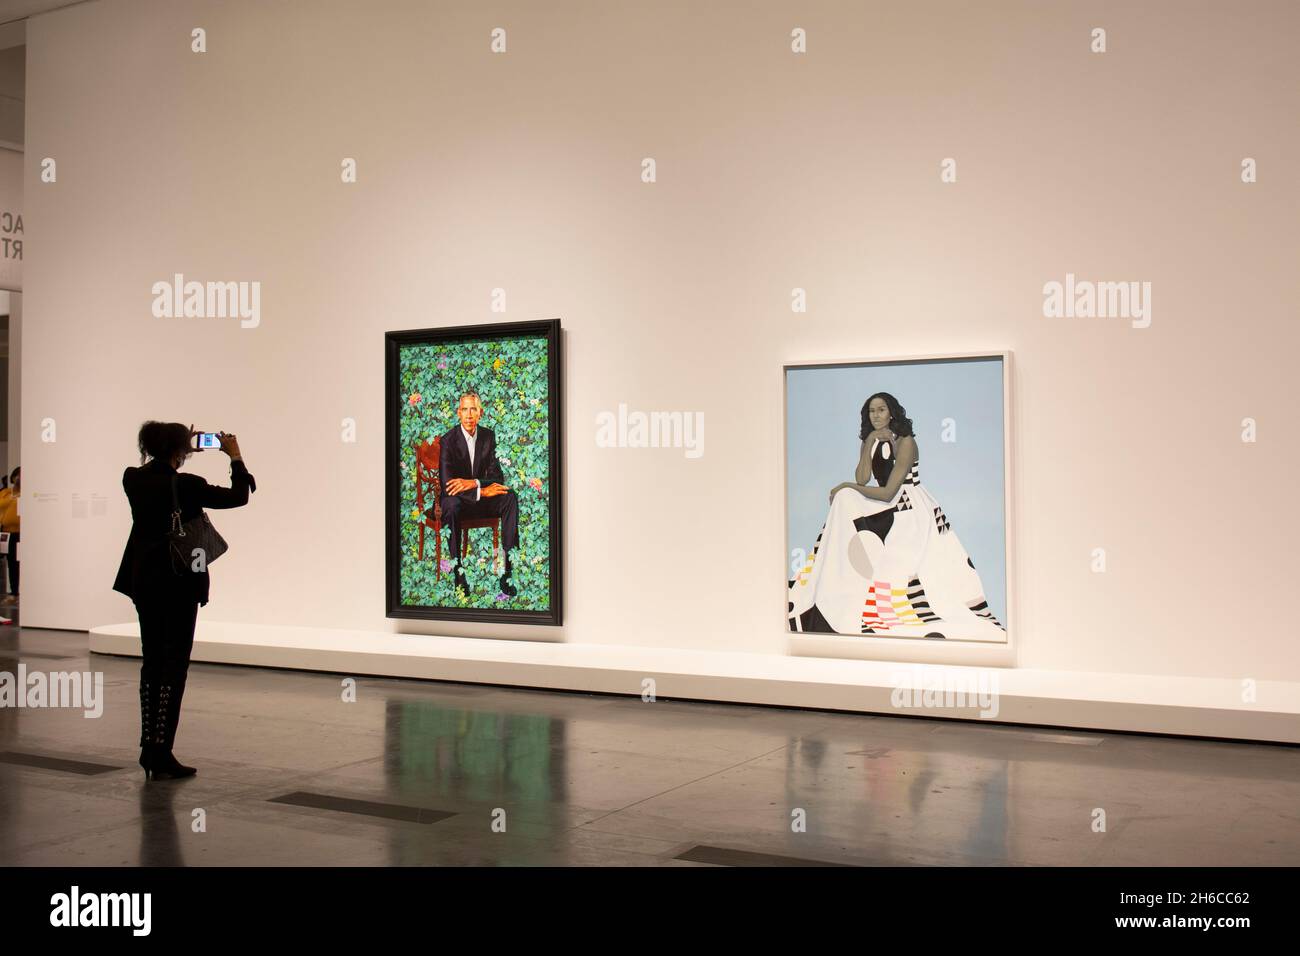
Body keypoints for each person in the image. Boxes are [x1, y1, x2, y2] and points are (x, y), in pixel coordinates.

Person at [788, 392, 1005, 641]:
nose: (876, 415)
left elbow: (890, 491)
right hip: (884, 501)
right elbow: (863, 479)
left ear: (891, 412)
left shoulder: (906, 442)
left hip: (907, 506)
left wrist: (846, 486)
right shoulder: (870, 440)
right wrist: (868, 443)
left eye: (881, 410)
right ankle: (830, 577)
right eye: (872, 411)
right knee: (845, 499)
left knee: (846, 494)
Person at [113, 422, 255, 780]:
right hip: (177, 583)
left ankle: (150, 746)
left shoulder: (132, 479)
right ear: (181, 451)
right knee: (174, 667)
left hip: (144, 581)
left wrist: (177, 446)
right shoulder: (188, 486)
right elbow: (239, 496)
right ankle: (160, 752)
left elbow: (156, 473)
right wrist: (234, 455)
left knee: (152, 663)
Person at [426, 389, 519, 596]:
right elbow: (448, 484)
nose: (469, 415)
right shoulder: (448, 440)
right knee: (450, 504)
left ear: (480, 413)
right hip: (458, 504)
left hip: (478, 500)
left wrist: (473, 483)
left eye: (473, 410)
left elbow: (497, 477)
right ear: (458, 413)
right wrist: (482, 492)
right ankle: (459, 574)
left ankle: (508, 572)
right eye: (465, 410)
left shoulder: (488, 436)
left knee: (510, 497)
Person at [0, 467, 19, 606]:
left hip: (22, 533)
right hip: (6, 534)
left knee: (19, 564)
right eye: (17, 476)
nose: (19, 479)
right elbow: (2, 505)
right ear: (12, 478)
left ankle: (19, 592)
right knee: (11, 564)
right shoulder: (5, 493)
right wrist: (14, 495)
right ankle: (13, 593)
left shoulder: (28, 493)